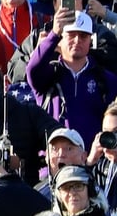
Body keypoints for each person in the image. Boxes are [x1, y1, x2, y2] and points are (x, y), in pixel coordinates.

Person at [27, 12, 117, 147]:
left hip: (93, 162)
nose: (77, 40)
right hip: (54, 161)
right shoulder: (48, 75)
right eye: (71, 35)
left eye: (83, 36)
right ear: (61, 39)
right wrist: (53, 34)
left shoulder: (106, 79)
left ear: (90, 40)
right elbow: (32, 69)